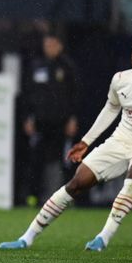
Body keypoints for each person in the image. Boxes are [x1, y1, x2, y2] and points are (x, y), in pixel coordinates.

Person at [0, 38, 132, 251]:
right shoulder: (120, 79)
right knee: (77, 182)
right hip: (121, 140)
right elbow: (110, 110)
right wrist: (86, 141)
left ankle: (103, 237)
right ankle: (26, 238)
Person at [20, 34, 79, 205]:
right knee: (36, 160)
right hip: (40, 122)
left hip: (61, 122)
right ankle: (33, 196)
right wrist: (28, 118)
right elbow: (28, 94)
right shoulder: (36, 66)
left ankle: (65, 197)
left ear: (60, 46)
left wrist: (72, 119)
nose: (50, 47)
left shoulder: (67, 67)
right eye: (47, 44)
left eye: (53, 44)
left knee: (64, 160)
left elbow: (75, 95)